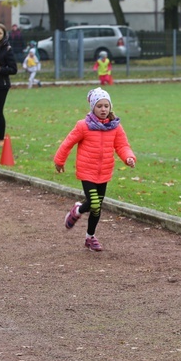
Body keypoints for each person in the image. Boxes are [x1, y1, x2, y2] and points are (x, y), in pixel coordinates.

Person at [54, 88, 136, 252]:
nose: (104, 109)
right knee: (94, 203)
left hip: (104, 173)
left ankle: (89, 237)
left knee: (97, 207)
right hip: (87, 171)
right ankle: (77, 211)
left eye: (106, 106)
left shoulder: (115, 127)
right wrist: (59, 161)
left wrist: (129, 158)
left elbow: (122, 145)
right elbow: (67, 143)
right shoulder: (83, 126)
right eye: (100, 106)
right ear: (93, 107)